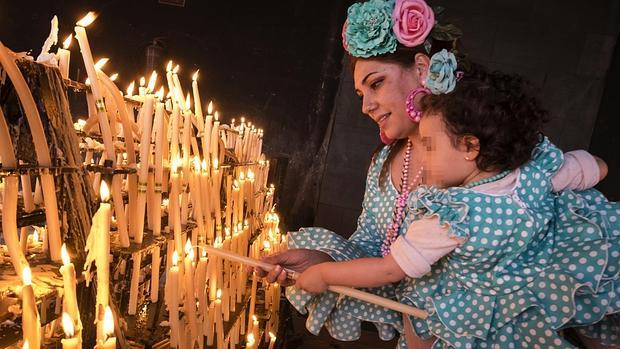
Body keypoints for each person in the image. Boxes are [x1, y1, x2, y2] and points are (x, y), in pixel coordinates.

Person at [254, 0, 615, 347]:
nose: (366, 105)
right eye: (361, 93)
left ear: (424, 68)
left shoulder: (496, 150)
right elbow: (379, 256)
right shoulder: (383, 167)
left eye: (376, 83)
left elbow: (576, 267)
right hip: (437, 330)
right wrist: (324, 264)